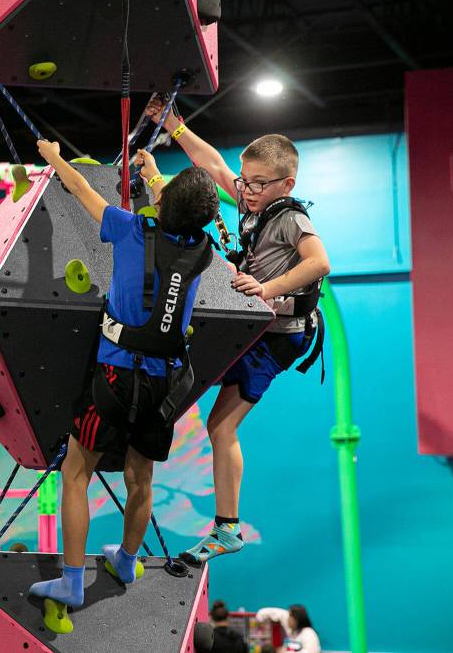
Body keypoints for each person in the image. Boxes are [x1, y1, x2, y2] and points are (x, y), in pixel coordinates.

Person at [28, 139, 219, 628]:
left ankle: (71, 579)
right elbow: (175, 208)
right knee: (142, 480)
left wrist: (51, 154)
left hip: (114, 376)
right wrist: (153, 173)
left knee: (76, 472)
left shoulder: (132, 229)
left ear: (164, 206)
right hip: (164, 386)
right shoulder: (202, 250)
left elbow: (79, 189)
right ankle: (127, 561)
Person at [143, 99, 332, 563]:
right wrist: (174, 125)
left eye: (258, 184)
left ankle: (227, 529)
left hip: (281, 337)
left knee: (222, 424)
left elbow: (319, 263)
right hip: (257, 327)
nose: (245, 190)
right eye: (244, 181)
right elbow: (210, 162)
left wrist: (265, 288)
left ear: (286, 184)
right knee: (212, 415)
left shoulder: (290, 217)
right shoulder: (252, 198)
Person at [256, 605, 321, 653]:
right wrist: (260, 616)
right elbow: (281, 614)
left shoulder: (308, 633)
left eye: (290, 616)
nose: (288, 619)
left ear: (297, 618)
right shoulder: (293, 634)